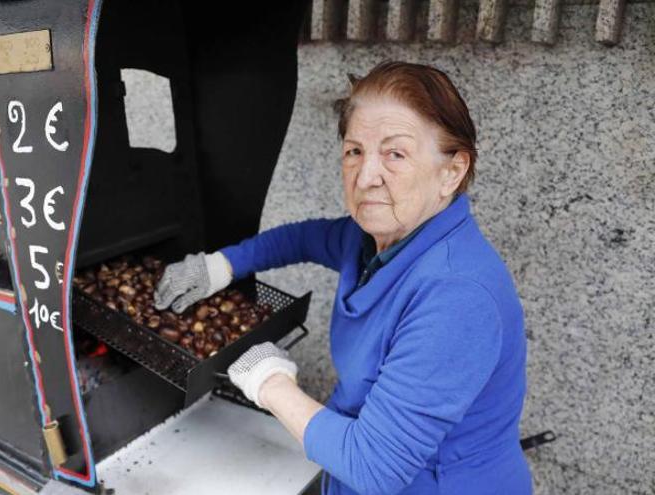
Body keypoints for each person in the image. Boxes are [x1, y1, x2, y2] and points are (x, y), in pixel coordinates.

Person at [154, 61, 532, 495]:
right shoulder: (375, 238)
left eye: (395, 153)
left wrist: (271, 383)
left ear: (452, 171)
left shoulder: (458, 297)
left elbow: (375, 468)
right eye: (355, 151)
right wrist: (221, 265)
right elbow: (302, 239)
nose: (367, 177)